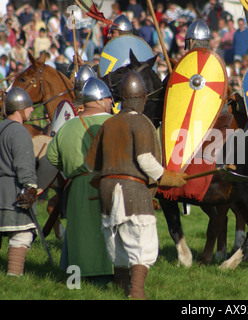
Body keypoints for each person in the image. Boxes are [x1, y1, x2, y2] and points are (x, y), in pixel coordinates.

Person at [85, 71, 187, 299]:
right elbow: (145, 160)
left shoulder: (108, 123)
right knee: (143, 245)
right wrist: (168, 177)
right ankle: (136, 293)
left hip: (106, 192)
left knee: (117, 242)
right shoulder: (140, 122)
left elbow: (92, 165)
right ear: (141, 98)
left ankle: (121, 291)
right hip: (132, 192)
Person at [46, 78, 114, 284]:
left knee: (79, 235)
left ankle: (75, 281)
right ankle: (109, 279)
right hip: (109, 187)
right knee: (108, 234)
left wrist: (71, 168)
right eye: (110, 99)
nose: (112, 103)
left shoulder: (67, 127)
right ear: (102, 100)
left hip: (76, 186)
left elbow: (52, 157)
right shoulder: (114, 122)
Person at [0, 87, 38, 276]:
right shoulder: (19, 132)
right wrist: (30, 186)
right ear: (20, 108)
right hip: (11, 192)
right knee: (22, 234)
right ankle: (14, 275)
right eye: (29, 107)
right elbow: (24, 164)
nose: (32, 111)